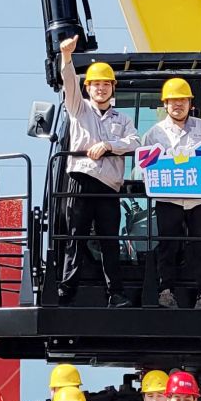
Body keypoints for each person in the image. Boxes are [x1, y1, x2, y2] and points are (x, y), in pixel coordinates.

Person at [56, 36, 139, 306]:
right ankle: (67, 288)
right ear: (88, 88)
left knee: (109, 239)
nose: (101, 89)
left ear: (113, 88)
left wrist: (108, 145)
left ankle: (115, 292)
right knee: (76, 235)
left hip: (109, 186)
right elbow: (69, 82)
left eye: (106, 84)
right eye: (96, 84)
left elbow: (135, 142)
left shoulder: (123, 119)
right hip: (81, 178)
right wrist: (66, 57)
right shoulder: (78, 108)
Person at [140, 76, 201, 309]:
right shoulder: (155, 133)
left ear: (190, 103)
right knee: (168, 245)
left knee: (200, 245)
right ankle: (166, 292)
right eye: (173, 100)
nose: (178, 105)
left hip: (198, 200)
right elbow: (144, 167)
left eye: (183, 100)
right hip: (168, 199)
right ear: (165, 104)